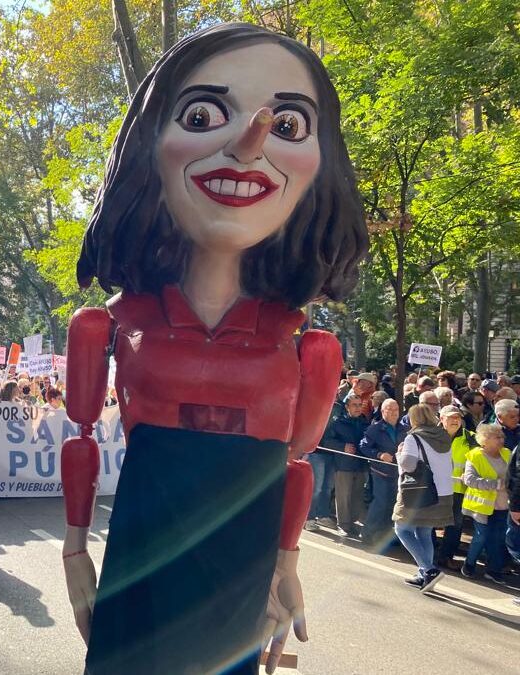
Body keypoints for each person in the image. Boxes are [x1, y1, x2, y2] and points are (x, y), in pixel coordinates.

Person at [60, 23, 368, 675]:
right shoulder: (109, 324)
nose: (250, 140)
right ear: (152, 143)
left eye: (287, 125)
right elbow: (81, 434)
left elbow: (295, 462)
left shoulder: (308, 346)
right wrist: (74, 549)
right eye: (204, 114)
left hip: (241, 564)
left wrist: (286, 560)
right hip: (140, 557)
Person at [393, 404, 454, 592]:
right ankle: (424, 574)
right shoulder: (444, 436)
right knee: (424, 531)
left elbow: (408, 465)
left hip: (420, 492)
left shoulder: (413, 437)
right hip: (442, 491)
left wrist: (400, 453)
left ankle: (429, 569)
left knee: (401, 529)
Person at [461, 423, 511, 584]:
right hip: (482, 506)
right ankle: (469, 564)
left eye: (502, 436)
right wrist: (496, 484)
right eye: (497, 437)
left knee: (498, 538)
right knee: (480, 537)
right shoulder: (474, 456)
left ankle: (493, 570)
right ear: (485, 439)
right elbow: (469, 480)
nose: (502, 440)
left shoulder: (507, 453)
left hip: (502, 504)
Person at [435, 406, 479, 569]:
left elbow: (478, 459)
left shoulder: (470, 438)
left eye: (458, 418)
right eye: (451, 417)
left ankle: (446, 556)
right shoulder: (432, 434)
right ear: (441, 419)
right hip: (435, 487)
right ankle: (430, 553)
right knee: (430, 521)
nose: (455, 421)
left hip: (458, 490)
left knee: (455, 525)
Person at [360, 399, 406, 549]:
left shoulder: (404, 428)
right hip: (380, 472)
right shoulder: (375, 428)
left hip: (398, 473)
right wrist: (379, 454)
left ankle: (384, 536)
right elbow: (364, 447)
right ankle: (367, 534)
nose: (393, 413)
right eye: (390, 410)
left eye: (396, 410)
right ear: (383, 411)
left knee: (392, 505)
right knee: (380, 503)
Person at [327, 394, 369, 537]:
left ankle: (352, 523)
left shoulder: (365, 423)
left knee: (357, 496)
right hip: (344, 465)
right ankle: (343, 525)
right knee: (343, 496)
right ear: (347, 407)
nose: (358, 408)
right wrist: (342, 447)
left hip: (361, 465)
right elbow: (327, 442)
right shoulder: (338, 423)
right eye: (354, 405)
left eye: (359, 405)